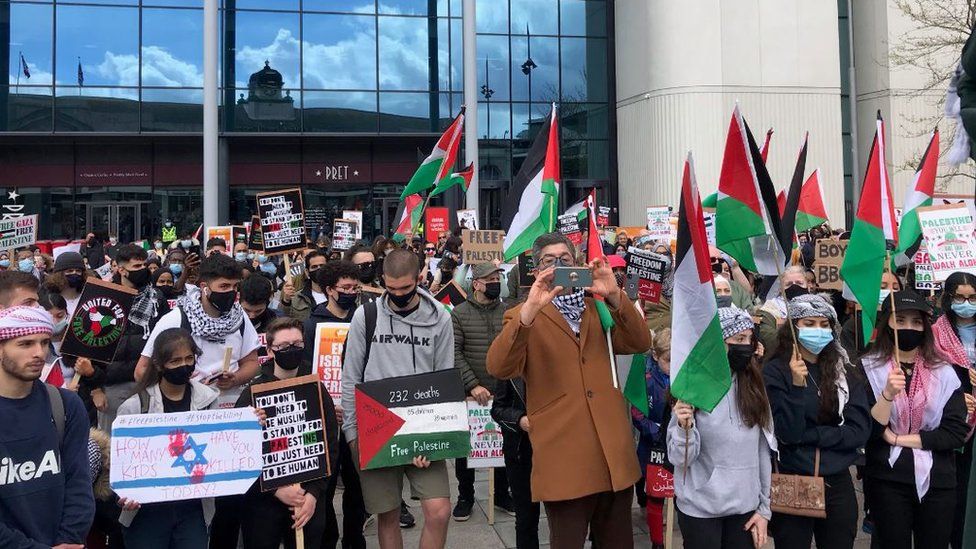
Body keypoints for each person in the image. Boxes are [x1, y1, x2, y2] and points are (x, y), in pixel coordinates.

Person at [486, 232, 652, 548]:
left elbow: (640, 342)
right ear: (535, 272)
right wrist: (530, 309)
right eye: (549, 262)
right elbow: (499, 367)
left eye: (565, 260)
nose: (559, 266)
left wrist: (615, 294)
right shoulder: (521, 316)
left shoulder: (597, 308)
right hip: (564, 458)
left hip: (613, 457)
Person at [341, 248, 455, 549]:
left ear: (419, 279)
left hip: (423, 428)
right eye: (391, 289)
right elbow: (351, 376)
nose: (398, 295)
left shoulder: (440, 319)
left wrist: (434, 439)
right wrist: (353, 436)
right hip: (375, 428)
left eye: (405, 288)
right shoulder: (366, 316)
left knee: (439, 510)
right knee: (388, 514)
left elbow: (444, 377)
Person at [861, 291, 969, 549]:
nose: (909, 327)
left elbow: (954, 433)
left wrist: (898, 438)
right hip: (888, 480)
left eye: (916, 321)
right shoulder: (869, 368)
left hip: (938, 481)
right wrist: (887, 395)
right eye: (901, 320)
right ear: (887, 322)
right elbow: (869, 431)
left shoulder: (944, 371)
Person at [763, 294, 871, 548]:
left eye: (824, 325)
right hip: (793, 478)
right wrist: (798, 388)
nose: (818, 330)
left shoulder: (843, 370)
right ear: (793, 328)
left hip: (837, 478)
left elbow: (858, 431)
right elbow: (787, 433)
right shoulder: (775, 371)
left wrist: (813, 436)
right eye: (809, 323)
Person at [668, 306, 774, 549]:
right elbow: (679, 457)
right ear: (719, 344)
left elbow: (762, 450)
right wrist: (684, 429)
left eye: (749, 339)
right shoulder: (692, 387)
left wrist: (764, 508)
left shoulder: (755, 386)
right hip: (700, 509)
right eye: (739, 339)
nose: (746, 346)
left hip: (744, 509)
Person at [236, 317, 338, 549]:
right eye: (284, 347)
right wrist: (275, 490)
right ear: (270, 351)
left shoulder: (317, 389)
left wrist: (313, 495)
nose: (292, 350)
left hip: (308, 498)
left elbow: (330, 444)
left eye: (297, 344)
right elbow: (241, 451)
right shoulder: (252, 394)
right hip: (264, 503)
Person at [116, 328, 224, 548]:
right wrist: (124, 494)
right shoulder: (135, 407)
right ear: (159, 365)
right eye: (175, 361)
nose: (183, 365)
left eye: (189, 359)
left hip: (193, 509)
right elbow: (120, 463)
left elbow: (221, 447)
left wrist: (251, 422)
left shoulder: (210, 401)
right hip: (147, 512)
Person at [0, 306, 95, 547]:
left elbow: (78, 482)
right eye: (25, 344)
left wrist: (69, 539)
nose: (39, 353)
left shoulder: (65, 404)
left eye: (44, 342)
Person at [302, 260, 372, 548]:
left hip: (360, 415)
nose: (351, 292)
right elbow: (307, 371)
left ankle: (355, 539)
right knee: (325, 487)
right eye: (345, 288)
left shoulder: (365, 319)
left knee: (358, 487)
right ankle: (328, 538)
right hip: (326, 417)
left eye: (355, 287)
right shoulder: (312, 324)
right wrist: (326, 404)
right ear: (330, 290)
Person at [451, 262, 514, 521]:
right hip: (470, 394)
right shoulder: (458, 314)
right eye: (489, 279)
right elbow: (453, 352)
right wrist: (472, 384)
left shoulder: (508, 311)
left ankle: (502, 494)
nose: (495, 283)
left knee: (502, 444)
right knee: (466, 448)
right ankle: (465, 495)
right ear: (476, 283)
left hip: (503, 390)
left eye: (497, 278)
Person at [95, 244, 171, 433]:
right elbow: (90, 345)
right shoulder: (104, 299)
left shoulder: (156, 298)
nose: (143, 270)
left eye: (144, 265)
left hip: (149, 381)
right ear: (121, 270)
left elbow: (165, 337)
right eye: (136, 267)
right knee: (112, 445)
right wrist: (95, 389)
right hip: (113, 385)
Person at [930, 272, 976, 548]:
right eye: (959, 297)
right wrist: (958, 398)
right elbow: (929, 377)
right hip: (952, 424)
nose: (966, 303)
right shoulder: (935, 333)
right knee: (955, 492)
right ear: (948, 298)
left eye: (972, 298)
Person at [491, 372, 540, 549]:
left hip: (556, 451)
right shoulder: (512, 365)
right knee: (526, 518)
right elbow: (497, 409)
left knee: (563, 519)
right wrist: (519, 420)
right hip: (521, 451)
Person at [633, 329, 672, 549]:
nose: (672, 365)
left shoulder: (682, 379)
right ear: (656, 357)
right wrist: (653, 430)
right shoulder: (647, 381)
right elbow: (637, 412)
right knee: (656, 496)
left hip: (676, 442)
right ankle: (658, 542)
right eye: (668, 360)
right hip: (654, 445)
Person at [839, 271, 902, 356]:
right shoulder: (854, 325)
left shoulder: (904, 322)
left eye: (895, 288)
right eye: (883, 287)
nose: (890, 292)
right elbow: (850, 361)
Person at [757, 266, 809, 350]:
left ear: (807, 285)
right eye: (789, 284)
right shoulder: (770, 308)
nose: (794, 287)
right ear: (781, 288)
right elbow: (768, 337)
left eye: (799, 283)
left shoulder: (819, 306)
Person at [282, 250, 328, 322]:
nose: (319, 269)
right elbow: (285, 319)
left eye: (322, 266)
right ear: (307, 271)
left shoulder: (339, 295)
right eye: (314, 267)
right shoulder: (297, 298)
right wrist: (286, 300)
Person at [51, 251, 87, 316]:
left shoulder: (88, 298)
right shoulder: (49, 300)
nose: (74, 273)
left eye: (78, 271)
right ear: (59, 275)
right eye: (70, 271)